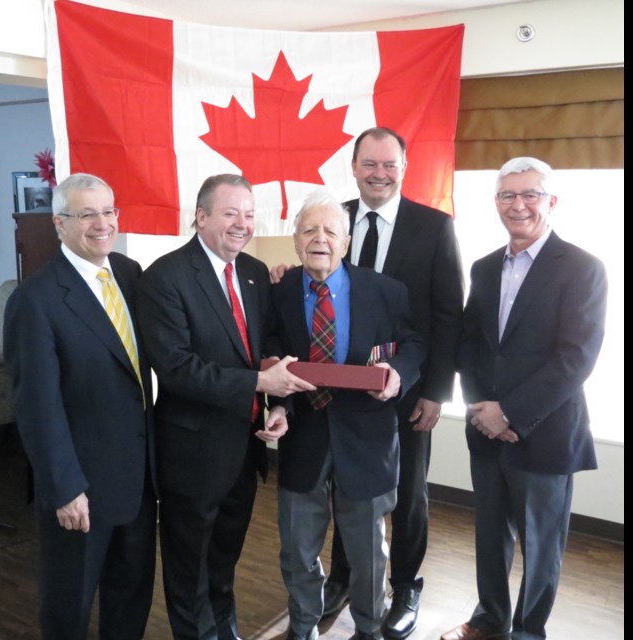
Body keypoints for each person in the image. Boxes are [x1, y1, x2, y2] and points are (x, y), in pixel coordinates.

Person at [270, 126, 464, 639]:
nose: (379, 173)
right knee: (315, 531)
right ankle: (327, 597)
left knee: (401, 503)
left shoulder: (433, 228)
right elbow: (274, 342)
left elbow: (444, 319)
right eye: (368, 164)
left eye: (389, 165)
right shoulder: (309, 256)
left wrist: (427, 388)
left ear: (403, 168)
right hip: (314, 423)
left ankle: (399, 592)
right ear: (353, 167)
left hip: (393, 402)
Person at [136, 174, 314, 640]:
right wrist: (259, 382)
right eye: (231, 213)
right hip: (191, 452)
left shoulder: (255, 274)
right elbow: (176, 368)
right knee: (188, 562)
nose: (243, 224)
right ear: (201, 216)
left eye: (250, 214)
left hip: (244, 447)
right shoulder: (165, 277)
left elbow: (267, 348)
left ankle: (223, 629)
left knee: (224, 558)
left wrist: (278, 405)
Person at [440, 157, 607, 640]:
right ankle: (490, 619)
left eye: (530, 194)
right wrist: (482, 410)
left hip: (546, 432)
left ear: (551, 202)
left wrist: (510, 413)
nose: (519, 205)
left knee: (541, 546)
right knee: (490, 538)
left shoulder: (582, 268)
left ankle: (528, 632)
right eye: (508, 196)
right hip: (486, 431)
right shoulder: (485, 266)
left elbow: (575, 358)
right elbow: (469, 344)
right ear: (496, 203)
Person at [3, 173, 157, 639]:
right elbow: (36, 406)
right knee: (70, 605)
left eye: (108, 211)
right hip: (80, 488)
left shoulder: (130, 275)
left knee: (131, 596)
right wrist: (65, 488)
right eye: (86, 213)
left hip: (138, 480)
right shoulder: (36, 299)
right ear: (59, 223)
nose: (102, 223)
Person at [269, 191, 425, 640]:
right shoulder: (278, 291)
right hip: (302, 437)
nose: (320, 239)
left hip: (368, 439)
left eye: (330, 231)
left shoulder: (386, 292)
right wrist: (278, 402)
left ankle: (369, 629)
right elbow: (270, 349)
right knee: (297, 552)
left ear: (346, 240)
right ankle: (302, 629)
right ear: (296, 242)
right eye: (309, 230)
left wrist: (397, 374)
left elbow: (414, 346)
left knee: (368, 555)